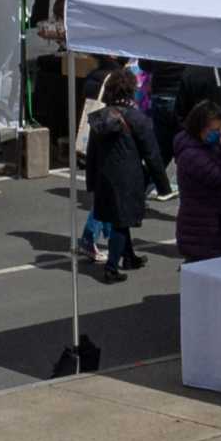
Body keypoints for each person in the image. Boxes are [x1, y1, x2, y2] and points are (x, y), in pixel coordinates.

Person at [84, 67, 165, 284]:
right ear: (131, 90)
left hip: (104, 177)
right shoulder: (137, 119)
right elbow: (152, 154)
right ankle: (111, 267)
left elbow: (90, 154)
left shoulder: (99, 118)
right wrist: (162, 185)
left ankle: (129, 257)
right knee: (121, 222)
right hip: (128, 178)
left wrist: (91, 182)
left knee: (119, 219)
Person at [171, 100, 221, 264]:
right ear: (199, 127)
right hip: (202, 231)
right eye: (215, 130)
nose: (220, 133)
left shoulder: (206, 147)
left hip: (211, 225)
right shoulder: (193, 156)